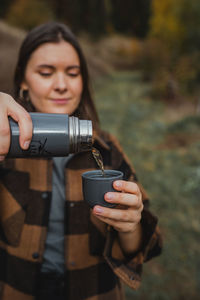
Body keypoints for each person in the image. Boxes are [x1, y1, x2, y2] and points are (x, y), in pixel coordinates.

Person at [0, 22, 162, 300]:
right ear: (23, 81)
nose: (61, 85)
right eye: (45, 72)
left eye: (72, 73)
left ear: (83, 81)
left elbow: (149, 245)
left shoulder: (106, 150)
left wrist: (130, 225)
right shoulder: (5, 149)